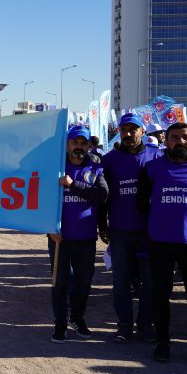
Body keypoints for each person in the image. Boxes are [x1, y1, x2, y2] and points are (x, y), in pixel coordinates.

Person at [138, 122, 187, 370]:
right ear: (165, 140)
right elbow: (143, 203)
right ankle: (162, 342)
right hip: (161, 242)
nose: (180, 142)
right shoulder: (152, 168)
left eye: (186, 137)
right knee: (161, 294)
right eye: (175, 137)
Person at [101, 113, 162, 342]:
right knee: (121, 281)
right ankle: (124, 325)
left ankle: (145, 325)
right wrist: (102, 225)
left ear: (143, 131)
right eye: (124, 130)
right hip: (120, 229)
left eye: (133, 129)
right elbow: (102, 196)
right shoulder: (110, 159)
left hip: (150, 231)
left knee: (150, 281)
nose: (128, 134)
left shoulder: (157, 157)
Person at [48, 126, 108, 343]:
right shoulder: (55, 168)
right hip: (59, 238)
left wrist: (74, 185)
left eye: (83, 143)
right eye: (75, 142)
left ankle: (77, 317)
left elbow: (102, 195)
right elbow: (43, 201)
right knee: (60, 283)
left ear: (89, 146)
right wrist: (49, 228)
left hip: (86, 238)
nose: (79, 147)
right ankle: (60, 323)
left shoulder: (95, 167)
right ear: (67, 145)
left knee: (84, 282)